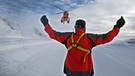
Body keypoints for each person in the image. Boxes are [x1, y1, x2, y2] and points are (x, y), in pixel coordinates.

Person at [40, 15, 125, 76]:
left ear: (75, 27)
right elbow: (107, 38)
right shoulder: (90, 38)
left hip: (70, 71)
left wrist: (46, 24)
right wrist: (117, 27)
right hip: (85, 72)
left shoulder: (68, 37)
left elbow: (53, 34)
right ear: (84, 28)